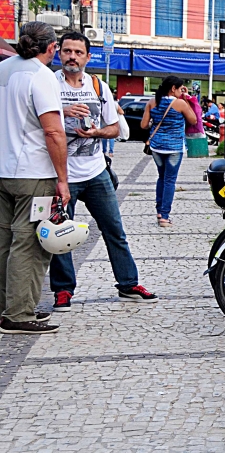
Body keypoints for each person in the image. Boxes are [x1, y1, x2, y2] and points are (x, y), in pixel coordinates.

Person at [49, 31, 157, 310]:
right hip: (62, 174)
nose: (72, 56)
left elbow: (116, 128)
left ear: (87, 57)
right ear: (59, 53)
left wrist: (96, 132)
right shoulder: (48, 84)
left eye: (78, 52)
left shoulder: (99, 86)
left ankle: (129, 283)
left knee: (114, 230)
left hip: (96, 172)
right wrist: (63, 113)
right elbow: (37, 125)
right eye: (67, 51)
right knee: (61, 234)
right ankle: (63, 290)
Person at [0, 22, 70, 334]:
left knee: (4, 243)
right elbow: (53, 131)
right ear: (52, 47)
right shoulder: (42, 76)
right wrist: (63, 178)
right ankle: (19, 313)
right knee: (28, 244)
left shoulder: (4, 69)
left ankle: (9, 307)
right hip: (34, 173)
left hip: (4, 170)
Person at [141, 76, 196, 227]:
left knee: (161, 177)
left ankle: (159, 211)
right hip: (174, 147)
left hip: (156, 146)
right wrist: (185, 98)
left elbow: (144, 125)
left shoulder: (152, 102)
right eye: (179, 88)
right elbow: (194, 120)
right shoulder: (180, 103)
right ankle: (164, 216)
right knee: (170, 180)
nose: (180, 91)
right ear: (173, 88)